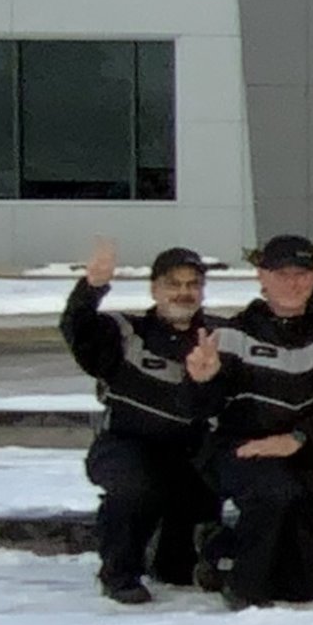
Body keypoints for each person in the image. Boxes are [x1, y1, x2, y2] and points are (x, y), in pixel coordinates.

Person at [62, 239, 226, 604]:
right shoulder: (125, 332)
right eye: (173, 284)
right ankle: (119, 573)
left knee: (178, 569)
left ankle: (183, 556)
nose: (183, 292)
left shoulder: (221, 337)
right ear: (154, 289)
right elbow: (78, 329)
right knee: (134, 486)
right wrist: (91, 288)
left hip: (192, 452)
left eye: (193, 284)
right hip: (126, 443)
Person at [203, 233, 313, 609]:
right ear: (262, 276)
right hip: (245, 449)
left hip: (305, 451)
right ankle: (243, 586)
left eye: (302, 274)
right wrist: (203, 380)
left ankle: (220, 546)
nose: (293, 283)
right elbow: (204, 408)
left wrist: (299, 437)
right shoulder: (232, 333)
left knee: (303, 586)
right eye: (282, 274)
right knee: (274, 492)